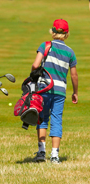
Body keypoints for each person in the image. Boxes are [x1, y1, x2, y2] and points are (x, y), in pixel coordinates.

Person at [32, 19, 78, 164]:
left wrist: (34, 75)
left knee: (42, 118)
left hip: (44, 88)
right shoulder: (70, 52)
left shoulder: (45, 45)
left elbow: (35, 65)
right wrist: (75, 92)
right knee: (56, 119)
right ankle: (54, 155)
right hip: (60, 91)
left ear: (52, 31)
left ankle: (41, 152)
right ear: (67, 34)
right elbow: (74, 75)